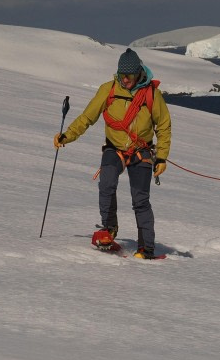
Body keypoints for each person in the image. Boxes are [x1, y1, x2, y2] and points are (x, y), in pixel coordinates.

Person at [54, 48, 171, 259]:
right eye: (122, 75)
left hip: (141, 151)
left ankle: (146, 249)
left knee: (140, 199)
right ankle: (109, 229)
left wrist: (161, 157)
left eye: (129, 75)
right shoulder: (108, 90)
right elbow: (87, 117)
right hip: (114, 148)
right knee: (106, 184)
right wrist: (67, 136)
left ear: (139, 72)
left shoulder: (152, 94)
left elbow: (163, 126)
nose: (125, 79)